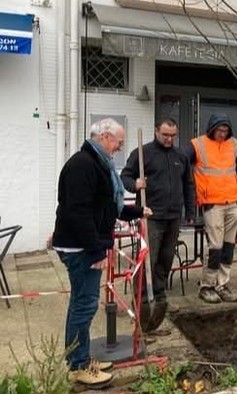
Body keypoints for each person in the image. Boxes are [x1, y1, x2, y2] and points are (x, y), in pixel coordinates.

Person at [52, 118, 152, 388]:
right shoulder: (83, 165)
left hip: (83, 244)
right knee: (84, 306)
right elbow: (79, 211)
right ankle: (78, 366)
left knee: (80, 303)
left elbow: (107, 205)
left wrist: (135, 211)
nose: (120, 147)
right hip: (81, 248)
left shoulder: (98, 164)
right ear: (105, 137)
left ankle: (81, 359)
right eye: (118, 142)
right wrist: (96, 251)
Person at [120, 118, 195, 329]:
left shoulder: (181, 156)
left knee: (165, 258)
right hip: (150, 215)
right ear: (156, 131)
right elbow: (124, 177)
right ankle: (142, 300)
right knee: (147, 260)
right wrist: (135, 184)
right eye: (165, 135)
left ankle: (159, 298)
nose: (169, 139)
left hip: (173, 217)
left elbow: (188, 184)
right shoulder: (142, 154)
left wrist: (189, 210)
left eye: (173, 135)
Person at [185, 114, 237, 304]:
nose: (223, 134)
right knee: (215, 247)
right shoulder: (197, 145)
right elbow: (180, 163)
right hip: (212, 204)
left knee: (228, 246)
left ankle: (222, 284)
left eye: (225, 130)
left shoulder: (233, 144)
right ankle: (207, 286)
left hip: (232, 202)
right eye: (219, 130)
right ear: (212, 128)